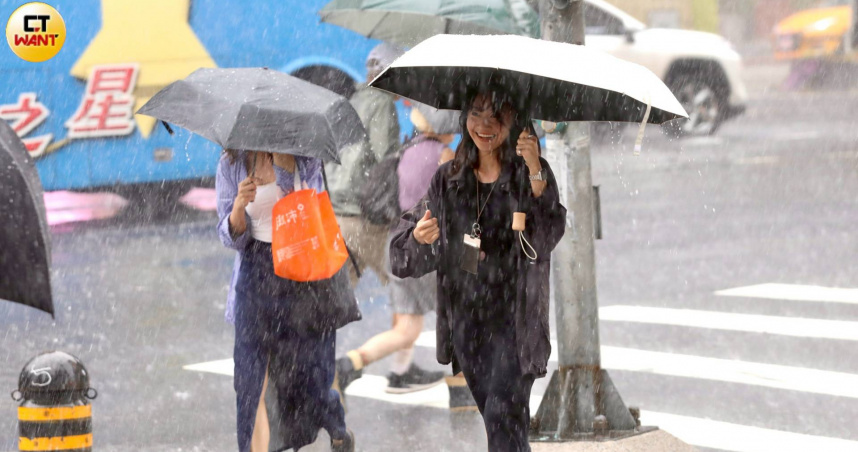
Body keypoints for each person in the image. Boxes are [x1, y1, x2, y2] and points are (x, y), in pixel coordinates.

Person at [389, 91, 566, 451]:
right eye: (476, 114)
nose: (484, 126)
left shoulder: (529, 175)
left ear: (514, 122)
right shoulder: (449, 179)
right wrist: (420, 239)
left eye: (495, 116)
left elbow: (547, 235)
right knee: (502, 425)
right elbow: (403, 255)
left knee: (504, 416)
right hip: (468, 324)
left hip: (515, 322)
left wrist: (534, 169)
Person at [216, 150, 357, 452]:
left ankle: (332, 416)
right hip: (254, 277)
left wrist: (283, 170)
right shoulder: (231, 164)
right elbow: (230, 237)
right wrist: (239, 207)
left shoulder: (305, 157)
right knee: (250, 384)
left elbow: (309, 213)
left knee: (307, 379)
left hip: (300, 278)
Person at [335, 104, 457, 396]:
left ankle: (350, 364)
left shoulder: (408, 151)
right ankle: (463, 389)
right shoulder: (444, 157)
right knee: (462, 314)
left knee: (407, 329)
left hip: (400, 247)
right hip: (428, 248)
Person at [324, 42, 405, 287]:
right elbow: (386, 158)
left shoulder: (353, 99)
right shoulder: (382, 103)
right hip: (363, 215)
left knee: (340, 293)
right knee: (405, 283)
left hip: (334, 212)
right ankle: (403, 327)